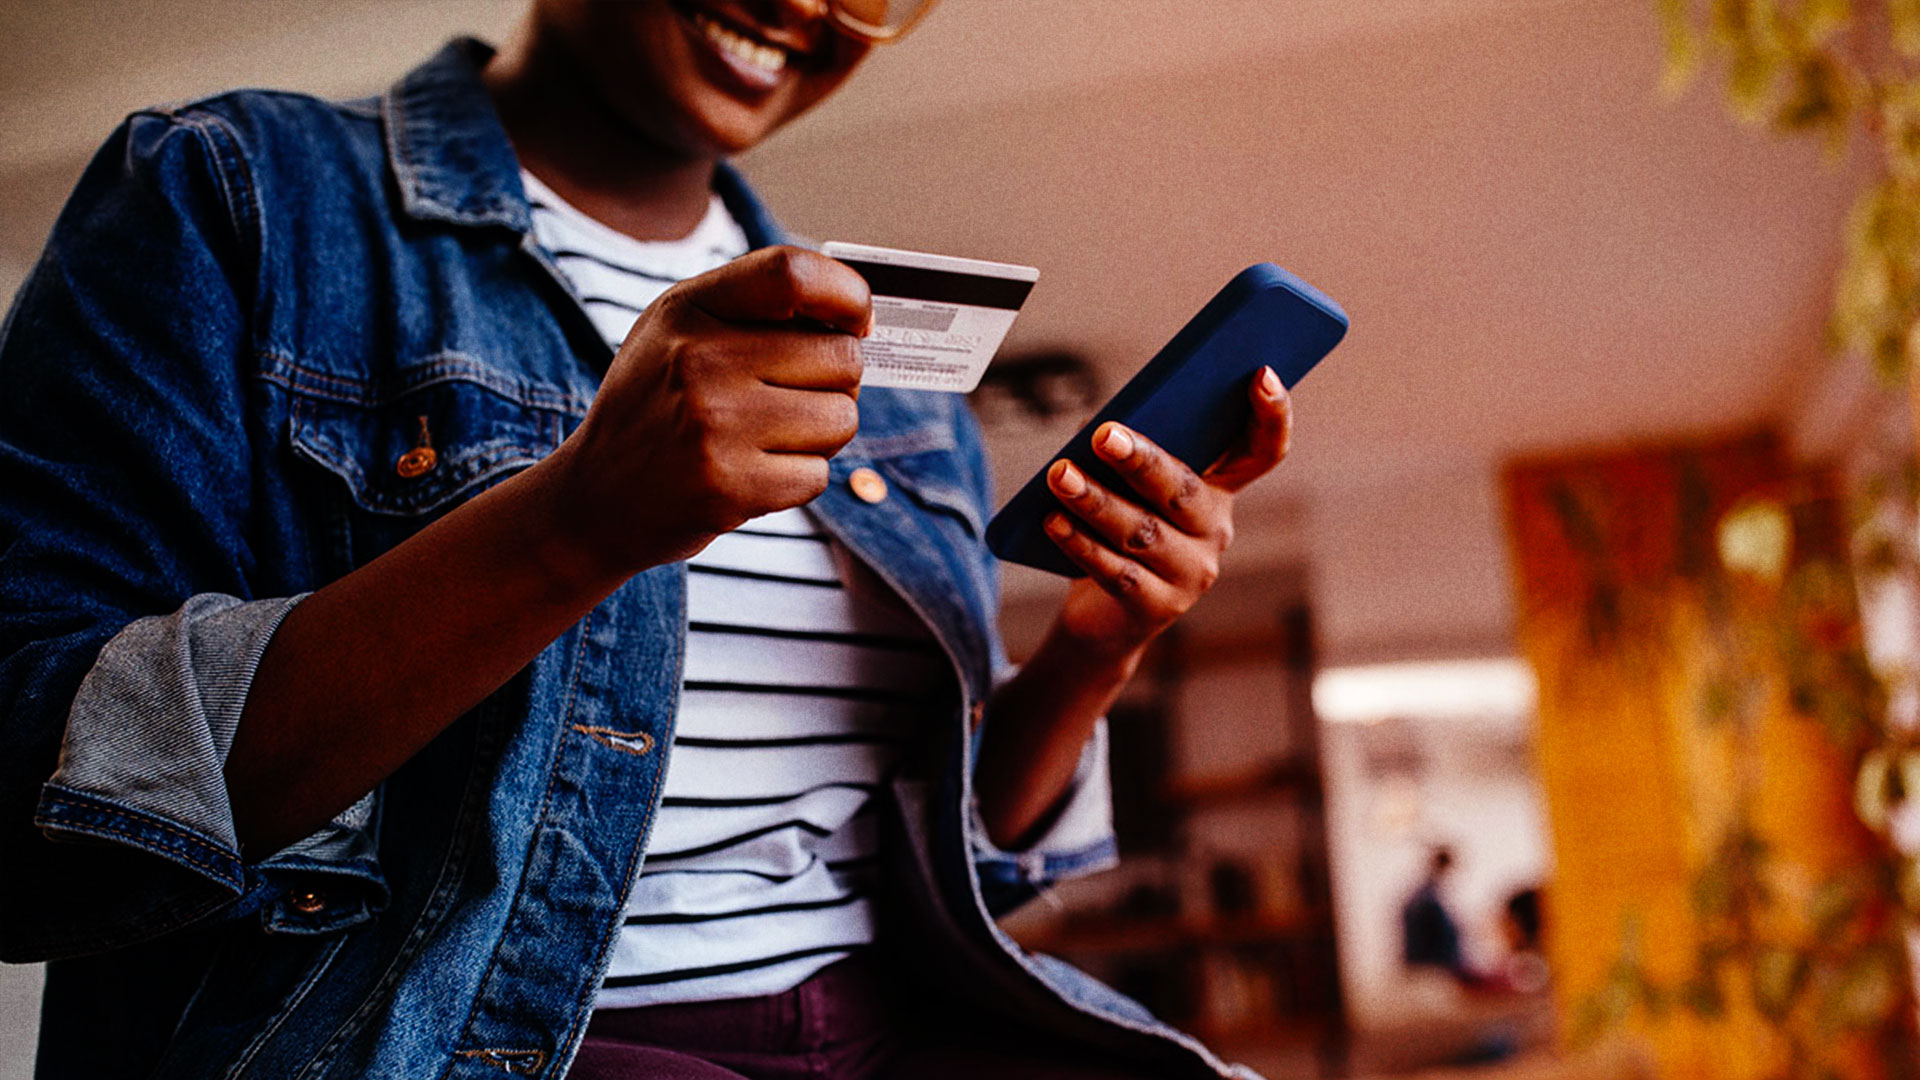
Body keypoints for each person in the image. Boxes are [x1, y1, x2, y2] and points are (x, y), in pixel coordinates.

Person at [0, 2, 1295, 1077]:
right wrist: (575, 523)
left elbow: (964, 876)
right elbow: (31, 802)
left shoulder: (883, 368)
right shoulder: (238, 199)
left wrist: (1094, 650)